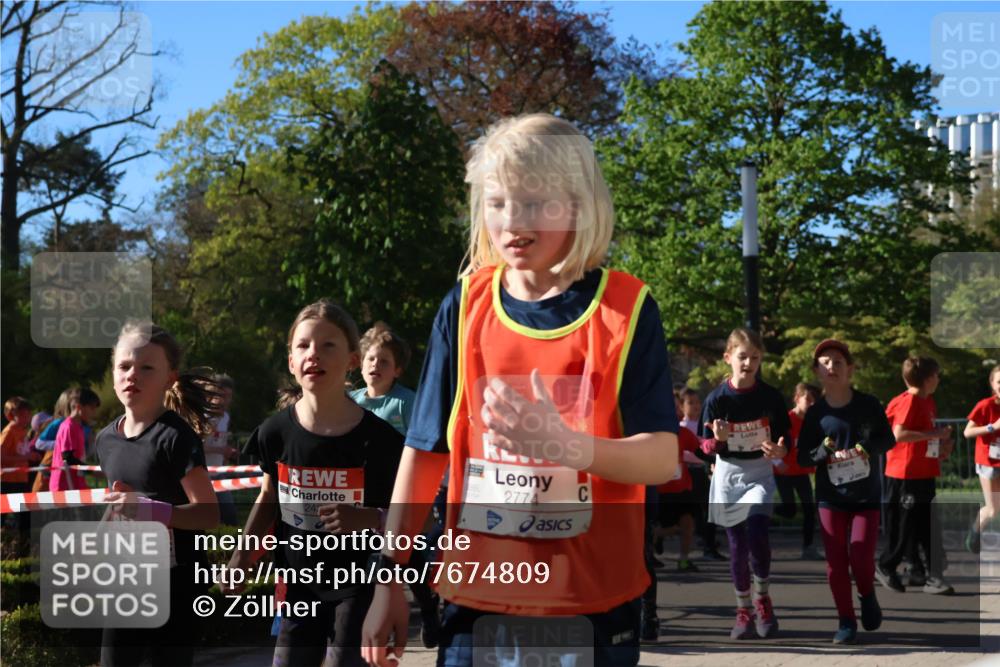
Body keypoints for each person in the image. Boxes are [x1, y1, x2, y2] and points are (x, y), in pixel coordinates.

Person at [360, 113, 679, 667]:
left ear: (578, 204)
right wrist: (387, 580)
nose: (512, 220)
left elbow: (661, 458)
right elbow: (425, 451)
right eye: (498, 201)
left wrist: (567, 448)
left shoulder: (625, 309)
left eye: (534, 202)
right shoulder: (463, 307)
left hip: (589, 604)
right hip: (476, 598)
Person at [227, 301, 404, 667]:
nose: (314, 355)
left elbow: (414, 520)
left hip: (360, 585)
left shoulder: (381, 440)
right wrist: (243, 555)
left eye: (328, 345)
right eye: (303, 345)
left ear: (353, 359)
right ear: (291, 361)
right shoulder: (274, 433)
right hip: (299, 584)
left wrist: (370, 519)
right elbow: (268, 497)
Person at [98, 321, 221, 667]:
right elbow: (121, 503)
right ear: (113, 373)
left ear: (169, 378)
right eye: (124, 366)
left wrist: (155, 512)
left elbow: (208, 514)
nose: (132, 375)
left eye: (146, 367)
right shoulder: (106, 439)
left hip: (176, 583)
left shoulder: (176, 437)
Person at [798, 339, 895, 644]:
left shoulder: (868, 404)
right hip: (830, 498)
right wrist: (821, 453)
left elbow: (887, 439)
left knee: (861, 555)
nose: (832, 367)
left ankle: (867, 595)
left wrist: (866, 447)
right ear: (817, 372)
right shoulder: (816, 414)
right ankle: (845, 620)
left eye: (838, 362)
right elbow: (802, 456)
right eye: (825, 363)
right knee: (836, 563)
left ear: (850, 369)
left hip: (865, 495)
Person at [350, 322, 440, 649]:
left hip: (398, 494)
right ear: (360, 363)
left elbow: (423, 446)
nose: (376, 366)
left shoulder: (405, 402)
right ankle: (364, 625)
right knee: (366, 563)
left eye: (384, 361)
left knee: (409, 558)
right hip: (360, 496)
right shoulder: (350, 400)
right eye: (371, 359)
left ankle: (428, 608)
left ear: (397, 369)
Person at [699, 327, 789, 640]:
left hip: (759, 473)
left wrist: (780, 450)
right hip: (728, 475)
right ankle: (742, 611)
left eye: (754, 357)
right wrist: (717, 441)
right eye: (742, 356)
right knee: (737, 546)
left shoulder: (770, 397)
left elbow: (785, 440)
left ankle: (762, 598)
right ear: (728, 358)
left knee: (758, 533)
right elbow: (705, 448)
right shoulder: (716, 399)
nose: (748, 363)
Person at [876, 357, 954, 595]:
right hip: (905, 474)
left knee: (924, 525)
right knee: (903, 525)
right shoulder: (909, 401)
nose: (939, 380)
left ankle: (923, 572)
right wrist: (936, 433)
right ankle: (886, 565)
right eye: (937, 375)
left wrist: (941, 449)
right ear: (929, 378)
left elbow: (923, 438)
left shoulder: (927, 401)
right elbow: (899, 435)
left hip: (923, 471)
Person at [774, 382, 822, 560]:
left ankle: (808, 547)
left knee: (810, 510)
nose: (811, 404)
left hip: (801, 471)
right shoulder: (785, 420)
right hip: (784, 473)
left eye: (813, 401)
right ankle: (767, 512)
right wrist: (778, 462)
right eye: (807, 399)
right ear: (796, 399)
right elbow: (771, 443)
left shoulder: (812, 423)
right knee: (790, 510)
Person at [680, 387, 726, 561]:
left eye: (698, 402)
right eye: (690, 403)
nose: (696, 406)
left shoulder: (703, 424)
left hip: (703, 470)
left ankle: (709, 545)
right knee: (691, 512)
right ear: (682, 407)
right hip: (688, 470)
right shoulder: (681, 427)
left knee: (709, 509)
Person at [964, 364, 1000, 554]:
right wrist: (992, 427)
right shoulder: (986, 405)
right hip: (989, 462)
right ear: (993, 384)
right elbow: (967, 432)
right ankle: (975, 532)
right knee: (994, 510)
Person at [204, 373, 238, 526]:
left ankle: (230, 547)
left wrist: (226, 453)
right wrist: (221, 450)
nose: (226, 400)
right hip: (202, 474)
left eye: (229, 396)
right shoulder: (202, 417)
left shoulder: (225, 417)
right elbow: (196, 447)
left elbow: (219, 442)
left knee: (229, 515)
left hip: (219, 472)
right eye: (222, 395)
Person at [50, 388, 100, 492]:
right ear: (78, 407)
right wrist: (93, 471)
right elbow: (68, 458)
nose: (94, 413)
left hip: (75, 483)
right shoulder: (68, 427)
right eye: (92, 408)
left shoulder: (78, 427)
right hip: (64, 486)